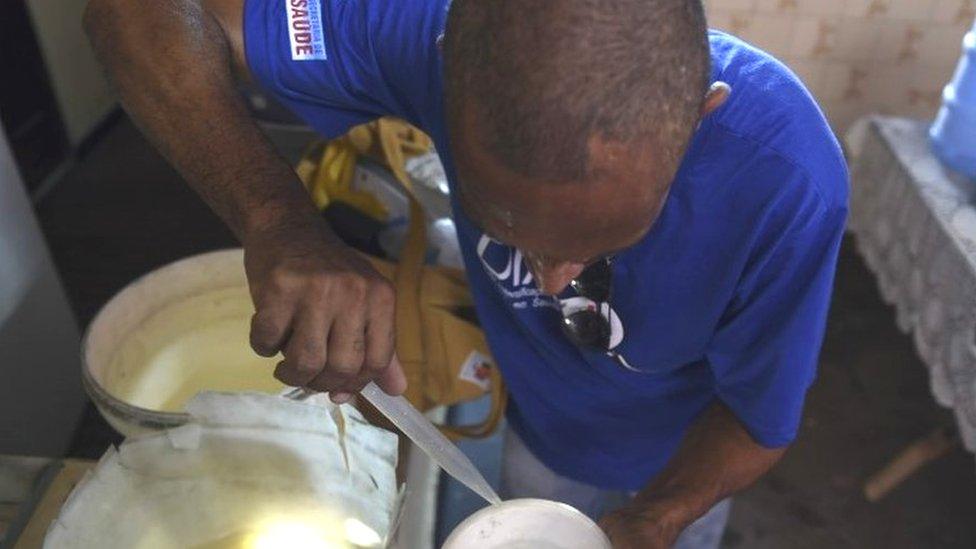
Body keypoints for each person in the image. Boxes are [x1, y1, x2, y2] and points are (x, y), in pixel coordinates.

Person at [84, 0, 848, 546]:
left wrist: (660, 517)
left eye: (601, 241)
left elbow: (758, 418)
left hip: (686, 454)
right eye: (513, 228)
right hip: (541, 432)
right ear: (445, 74)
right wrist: (277, 220)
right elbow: (135, 12)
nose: (550, 289)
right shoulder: (424, 31)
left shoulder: (787, 180)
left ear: (701, 116)